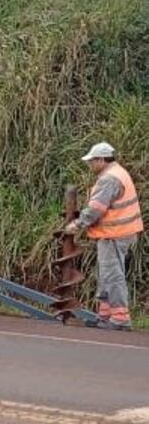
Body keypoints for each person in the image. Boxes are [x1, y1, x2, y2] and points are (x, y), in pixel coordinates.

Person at [64, 142, 142, 331]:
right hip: (120, 233)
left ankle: (120, 319)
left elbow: (95, 209)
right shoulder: (118, 172)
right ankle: (105, 316)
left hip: (114, 235)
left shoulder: (109, 179)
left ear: (101, 160)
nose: (90, 165)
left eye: (92, 161)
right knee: (106, 274)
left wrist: (77, 224)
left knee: (112, 275)